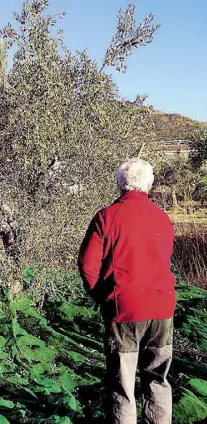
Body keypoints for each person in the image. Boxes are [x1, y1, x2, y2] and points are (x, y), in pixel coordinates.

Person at [78, 158, 176, 424]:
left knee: (122, 385)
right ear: (148, 184)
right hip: (162, 309)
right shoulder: (163, 218)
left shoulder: (107, 217)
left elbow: (87, 265)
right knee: (158, 379)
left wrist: (102, 297)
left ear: (120, 184)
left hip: (124, 310)